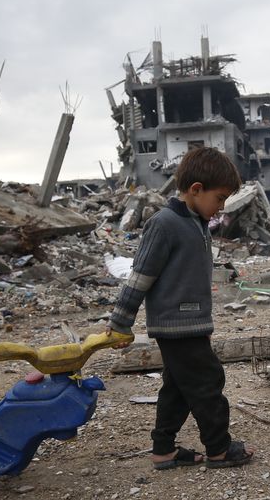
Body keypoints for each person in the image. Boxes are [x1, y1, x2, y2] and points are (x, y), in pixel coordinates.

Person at [106, 147, 255, 470]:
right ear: (196, 189)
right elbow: (140, 276)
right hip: (177, 324)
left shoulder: (196, 223)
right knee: (207, 381)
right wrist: (120, 321)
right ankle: (219, 448)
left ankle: (164, 450)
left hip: (191, 322)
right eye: (219, 198)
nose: (221, 207)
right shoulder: (165, 224)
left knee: (177, 386)